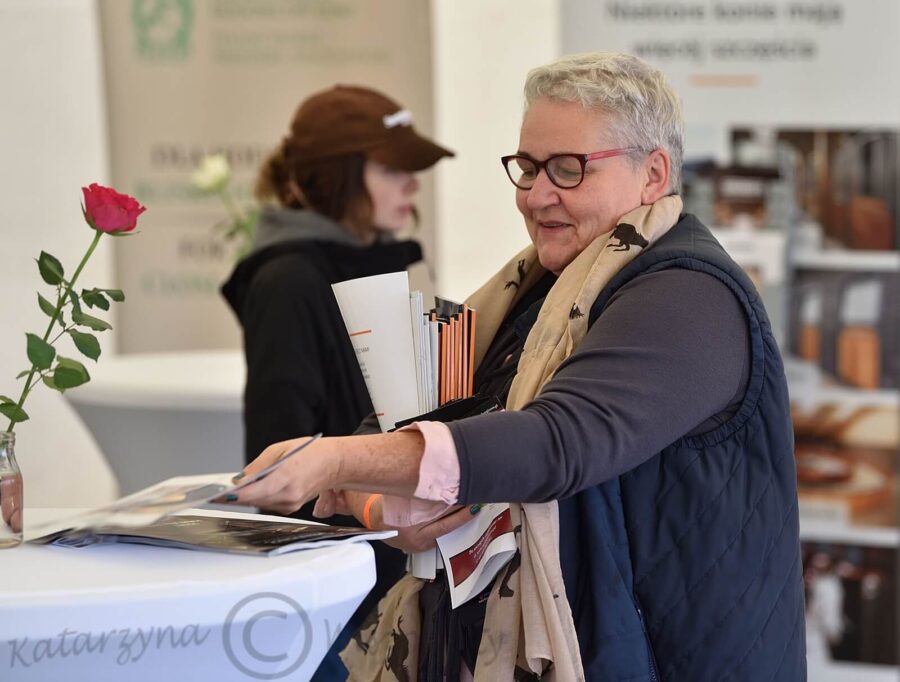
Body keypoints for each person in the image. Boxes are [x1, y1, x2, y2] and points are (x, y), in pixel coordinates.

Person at [227, 53, 806, 681]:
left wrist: (337, 461)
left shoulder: (689, 295)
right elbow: (401, 424)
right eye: (528, 168)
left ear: (653, 174)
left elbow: (558, 441)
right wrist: (383, 508)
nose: (536, 195)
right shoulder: (532, 291)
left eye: (568, 169)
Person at [220, 84, 453, 681]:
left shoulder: (394, 258)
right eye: (393, 167)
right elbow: (280, 464)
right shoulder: (288, 282)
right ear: (336, 176)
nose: (412, 185)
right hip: (341, 596)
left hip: (408, 562)